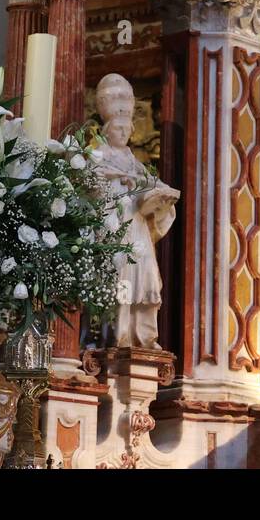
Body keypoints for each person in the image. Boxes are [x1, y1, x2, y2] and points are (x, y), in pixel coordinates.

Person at [93, 74, 180, 349]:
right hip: (114, 225)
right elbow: (89, 185)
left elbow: (154, 185)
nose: (123, 133)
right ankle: (118, 337)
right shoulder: (99, 156)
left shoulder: (134, 161)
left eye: (126, 129)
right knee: (121, 278)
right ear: (107, 130)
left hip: (136, 227)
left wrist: (162, 198)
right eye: (118, 129)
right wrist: (116, 179)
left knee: (147, 277)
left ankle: (144, 337)